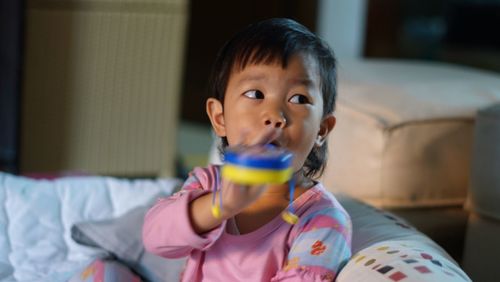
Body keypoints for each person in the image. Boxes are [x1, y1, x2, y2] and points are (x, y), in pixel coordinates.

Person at [143, 18, 352, 281]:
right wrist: (220, 206)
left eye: (298, 99)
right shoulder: (208, 183)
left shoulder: (321, 218)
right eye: (255, 94)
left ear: (321, 130)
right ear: (220, 119)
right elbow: (155, 239)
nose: (275, 116)